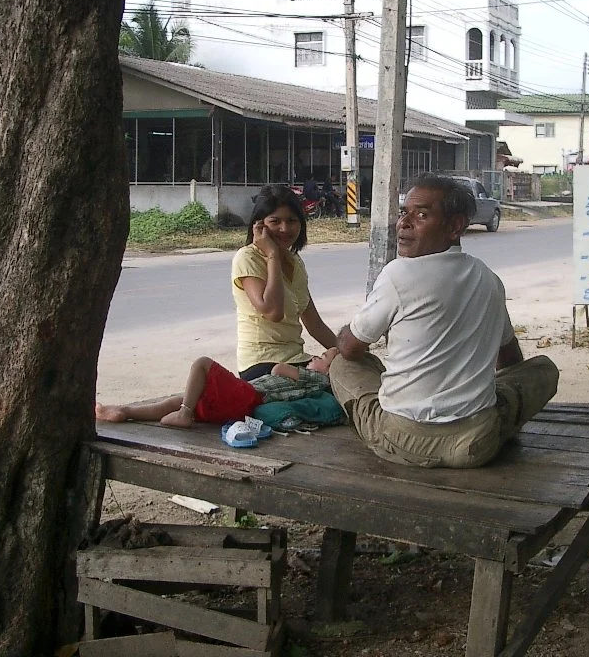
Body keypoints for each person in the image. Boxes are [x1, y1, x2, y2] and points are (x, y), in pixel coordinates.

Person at [330, 173, 559, 469]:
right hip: (476, 442)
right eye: (404, 213)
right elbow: (511, 359)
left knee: (341, 363)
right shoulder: (488, 278)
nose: (404, 224)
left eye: (421, 215)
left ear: (454, 226)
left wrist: (341, 340)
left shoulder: (398, 274)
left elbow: (350, 348)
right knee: (543, 369)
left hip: (404, 440)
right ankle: (497, 424)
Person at [233, 185, 338, 381]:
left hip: (296, 359)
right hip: (262, 364)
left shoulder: (295, 262)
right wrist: (272, 255)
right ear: (259, 226)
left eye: (291, 221)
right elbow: (273, 312)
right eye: (275, 221)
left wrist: (348, 353)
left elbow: (314, 324)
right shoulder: (247, 258)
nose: (285, 229)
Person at [96, 349, 339, 428]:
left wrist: (291, 366)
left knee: (202, 364)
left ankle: (185, 414)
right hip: (242, 398)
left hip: (249, 397)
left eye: (321, 357)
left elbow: (277, 370)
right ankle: (125, 411)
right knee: (179, 398)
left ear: (329, 369)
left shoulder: (317, 379)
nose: (313, 358)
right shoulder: (314, 377)